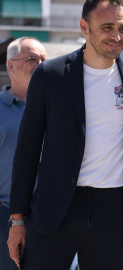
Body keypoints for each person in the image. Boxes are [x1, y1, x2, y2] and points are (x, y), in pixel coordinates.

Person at [7, 1, 123, 269]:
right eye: (107, 27)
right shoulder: (50, 75)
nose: (116, 36)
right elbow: (27, 150)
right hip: (55, 209)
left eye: (122, 28)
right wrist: (17, 220)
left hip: (114, 213)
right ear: (84, 28)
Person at [0, 37, 46, 270]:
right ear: (11, 65)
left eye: (43, 60)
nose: (40, 64)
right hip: (5, 217)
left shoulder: (57, 109)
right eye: (31, 59)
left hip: (50, 217)